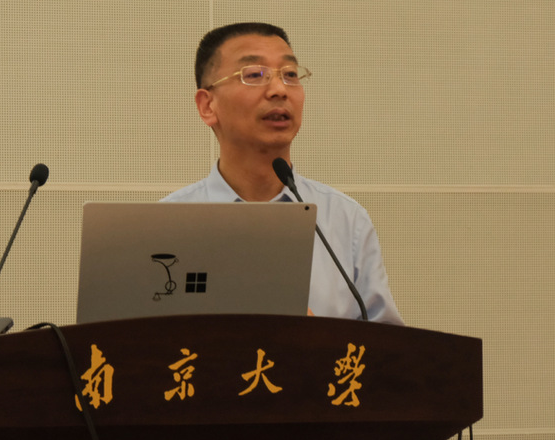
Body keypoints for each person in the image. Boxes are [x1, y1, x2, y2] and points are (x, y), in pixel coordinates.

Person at [163, 22, 403, 325]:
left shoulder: (345, 221)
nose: (279, 89)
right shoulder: (166, 226)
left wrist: (318, 340)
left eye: (290, 75)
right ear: (207, 105)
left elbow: (388, 348)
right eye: (254, 75)